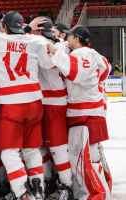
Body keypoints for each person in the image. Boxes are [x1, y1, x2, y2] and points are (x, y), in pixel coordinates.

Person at [0, 10, 56, 200]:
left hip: (10, 102)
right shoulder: (37, 41)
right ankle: (38, 188)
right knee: (31, 149)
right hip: (34, 102)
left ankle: (23, 192)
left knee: (8, 152)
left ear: (5, 27)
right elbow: (48, 64)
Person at [47, 25, 111, 199]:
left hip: (85, 111)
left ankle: (97, 193)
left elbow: (76, 73)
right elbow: (106, 69)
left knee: (84, 157)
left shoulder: (82, 54)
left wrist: (56, 52)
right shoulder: (91, 53)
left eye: (69, 37)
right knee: (92, 155)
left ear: (76, 39)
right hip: (91, 109)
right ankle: (103, 186)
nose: (66, 39)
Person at [32, 17, 74, 199]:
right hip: (46, 100)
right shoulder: (63, 44)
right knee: (42, 146)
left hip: (51, 101)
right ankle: (52, 181)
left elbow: (47, 63)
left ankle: (66, 185)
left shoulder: (37, 42)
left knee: (55, 147)